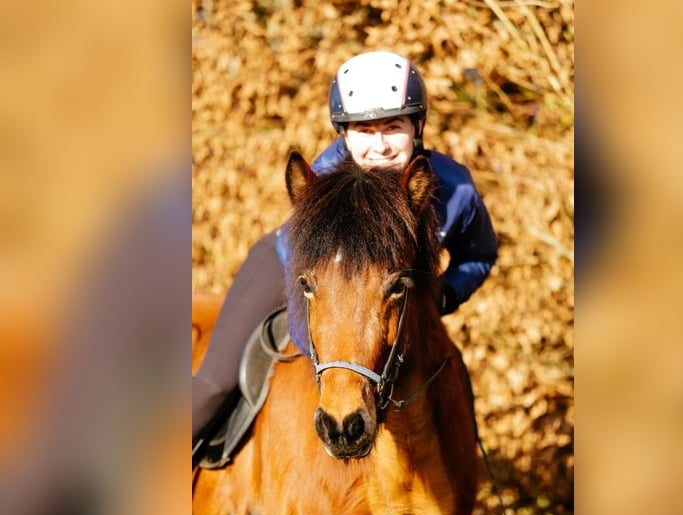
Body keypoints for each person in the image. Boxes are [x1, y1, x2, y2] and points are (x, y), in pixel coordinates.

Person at [192, 51, 499, 451]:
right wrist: (333, 359)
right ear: (345, 134)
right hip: (292, 265)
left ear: (417, 125)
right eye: (364, 131)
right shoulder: (327, 182)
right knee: (216, 384)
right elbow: (311, 294)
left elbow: (479, 254)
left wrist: (445, 292)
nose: (380, 146)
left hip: (380, 301)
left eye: (393, 127)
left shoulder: (455, 188)